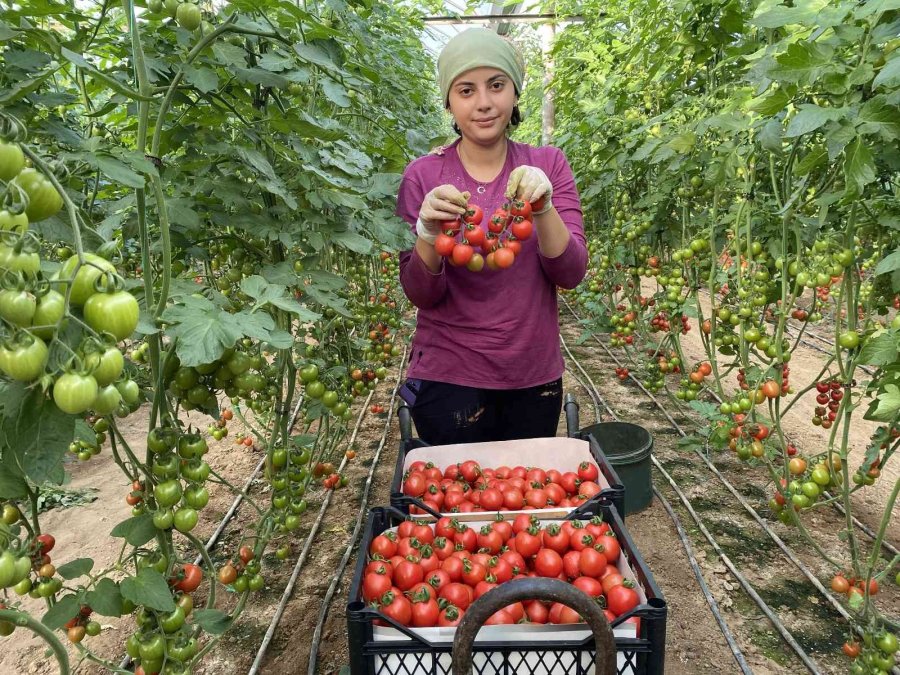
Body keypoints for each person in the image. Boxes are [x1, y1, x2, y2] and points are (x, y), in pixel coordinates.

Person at [396, 27, 587, 446]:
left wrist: (543, 208)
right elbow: (421, 294)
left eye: (496, 86)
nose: (483, 103)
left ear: (515, 93)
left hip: (531, 374)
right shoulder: (423, 176)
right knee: (458, 503)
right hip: (448, 376)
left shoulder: (548, 165)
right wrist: (428, 232)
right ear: (449, 100)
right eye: (466, 90)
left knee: (519, 501)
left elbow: (571, 272)